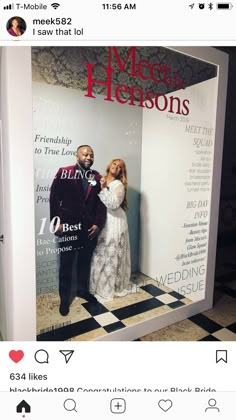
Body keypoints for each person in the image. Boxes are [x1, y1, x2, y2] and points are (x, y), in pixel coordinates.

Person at [50, 145, 106, 316]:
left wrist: (98, 224)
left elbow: (100, 202)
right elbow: (54, 197)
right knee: (66, 265)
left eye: (92, 155)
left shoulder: (96, 177)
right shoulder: (64, 171)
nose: (89, 157)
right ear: (77, 156)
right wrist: (56, 222)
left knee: (84, 262)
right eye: (85, 154)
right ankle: (64, 299)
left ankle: (82, 291)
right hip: (68, 228)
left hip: (88, 229)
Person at [90, 159, 131, 303]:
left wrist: (103, 189)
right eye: (114, 164)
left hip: (114, 220)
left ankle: (108, 288)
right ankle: (96, 287)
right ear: (109, 165)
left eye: (120, 167)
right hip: (100, 218)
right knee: (100, 253)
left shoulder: (119, 185)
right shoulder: (100, 178)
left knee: (111, 253)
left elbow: (113, 204)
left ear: (121, 171)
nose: (116, 167)